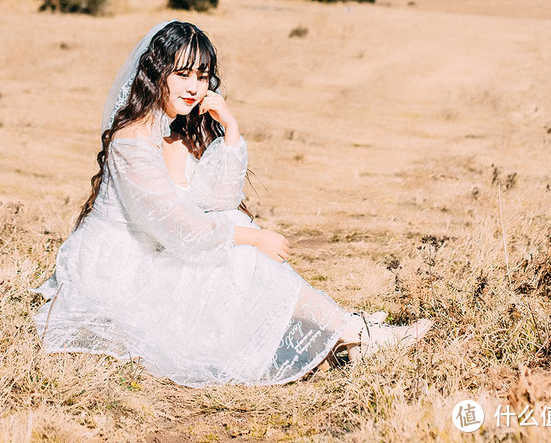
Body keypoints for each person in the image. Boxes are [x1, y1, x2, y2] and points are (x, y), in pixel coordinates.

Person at [33, 21, 431, 385]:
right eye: (182, 74)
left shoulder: (174, 131)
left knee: (233, 232)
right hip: (117, 268)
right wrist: (252, 239)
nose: (193, 87)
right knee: (240, 247)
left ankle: (345, 333)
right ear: (157, 75)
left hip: (160, 249)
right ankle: (354, 333)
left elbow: (217, 200)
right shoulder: (133, 141)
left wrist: (232, 130)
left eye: (202, 77)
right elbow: (178, 226)